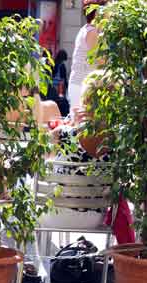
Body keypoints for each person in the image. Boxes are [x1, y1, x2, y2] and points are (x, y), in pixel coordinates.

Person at [39, 70, 111, 230]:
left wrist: (71, 127)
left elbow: (42, 159)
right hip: (95, 218)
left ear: (86, 99)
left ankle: (39, 251)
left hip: (55, 214)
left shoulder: (65, 134)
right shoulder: (118, 142)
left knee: (28, 182)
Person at [67, 0, 106, 117]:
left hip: (82, 85)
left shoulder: (87, 29)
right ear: (97, 12)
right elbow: (101, 61)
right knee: (82, 126)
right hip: (82, 86)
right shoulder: (93, 32)